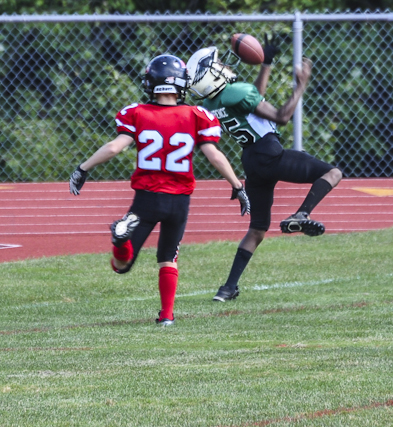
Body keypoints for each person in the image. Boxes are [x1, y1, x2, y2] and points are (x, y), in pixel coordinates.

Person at [68, 54, 250, 326]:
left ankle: (120, 243)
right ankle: (167, 316)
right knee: (168, 257)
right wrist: (237, 185)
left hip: (147, 198)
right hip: (179, 201)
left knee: (122, 266)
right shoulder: (197, 115)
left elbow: (115, 147)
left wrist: (82, 168)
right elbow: (214, 155)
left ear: (151, 83)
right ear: (181, 84)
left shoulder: (137, 113)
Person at [186, 40, 342, 303]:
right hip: (270, 153)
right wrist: (301, 84)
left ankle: (227, 289)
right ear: (211, 75)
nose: (223, 65)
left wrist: (266, 64)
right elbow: (281, 116)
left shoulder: (213, 104)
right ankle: (302, 214)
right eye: (217, 64)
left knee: (257, 229)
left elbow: (254, 102)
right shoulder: (235, 91)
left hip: (251, 161)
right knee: (333, 173)